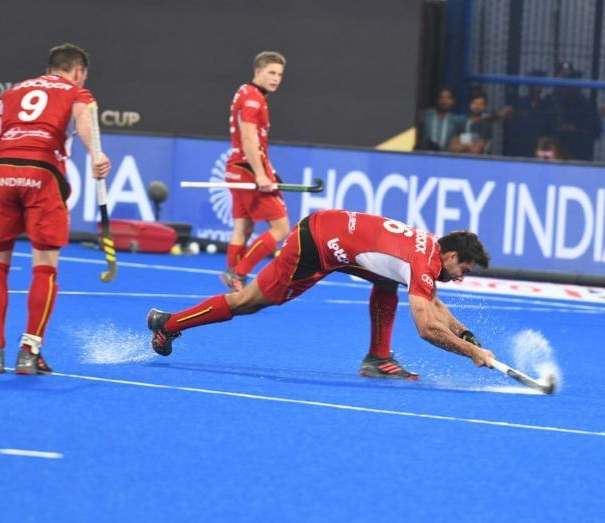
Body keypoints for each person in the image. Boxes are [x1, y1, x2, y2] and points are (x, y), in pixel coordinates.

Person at [147, 210, 495, 380]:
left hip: (332, 235)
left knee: (387, 281)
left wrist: (463, 332)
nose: (461, 278)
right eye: (463, 270)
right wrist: (471, 353)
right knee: (248, 302)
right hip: (314, 247)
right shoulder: (422, 263)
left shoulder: (430, 248)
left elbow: (432, 300)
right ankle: (168, 323)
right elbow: (426, 327)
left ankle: (377, 358)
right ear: (450, 257)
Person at [0, 43, 111, 375]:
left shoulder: (13, 92)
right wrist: (95, 155)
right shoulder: (77, 92)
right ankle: (30, 352)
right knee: (45, 267)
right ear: (78, 71)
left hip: (0, 172)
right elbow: (84, 122)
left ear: (49, 68)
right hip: (42, 173)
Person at [221, 51, 289, 293]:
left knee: (243, 227)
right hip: (247, 168)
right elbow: (249, 138)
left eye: (280, 74)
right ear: (257, 72)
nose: (276, 78)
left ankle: (234, 286)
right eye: (271, 72)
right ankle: (237, 273)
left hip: (235, 168)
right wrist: (261, 174)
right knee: (281, 227)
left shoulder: (245, 92)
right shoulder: (253, 98)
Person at [543, 61, 601, 161]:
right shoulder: (551, 102)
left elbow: (596, 131)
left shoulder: (586, 105)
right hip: (556, 153)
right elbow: (544, 129)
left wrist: (577, 130)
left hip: (580, 155)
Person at [503, 70, 555, 158]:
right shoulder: (519, 104)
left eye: (540, 84)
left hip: (539, 152)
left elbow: (550, 132)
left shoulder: (547, 107)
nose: (538, 87)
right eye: (535, 83)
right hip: (519, 151)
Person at [415, 87, 465, 151]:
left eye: (448, 98)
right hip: (426, 155)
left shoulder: (458, 120)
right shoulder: (426, 115)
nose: (444, 101)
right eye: (441, 98)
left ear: (453, 101)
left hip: (447, 157)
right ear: (436, 99)